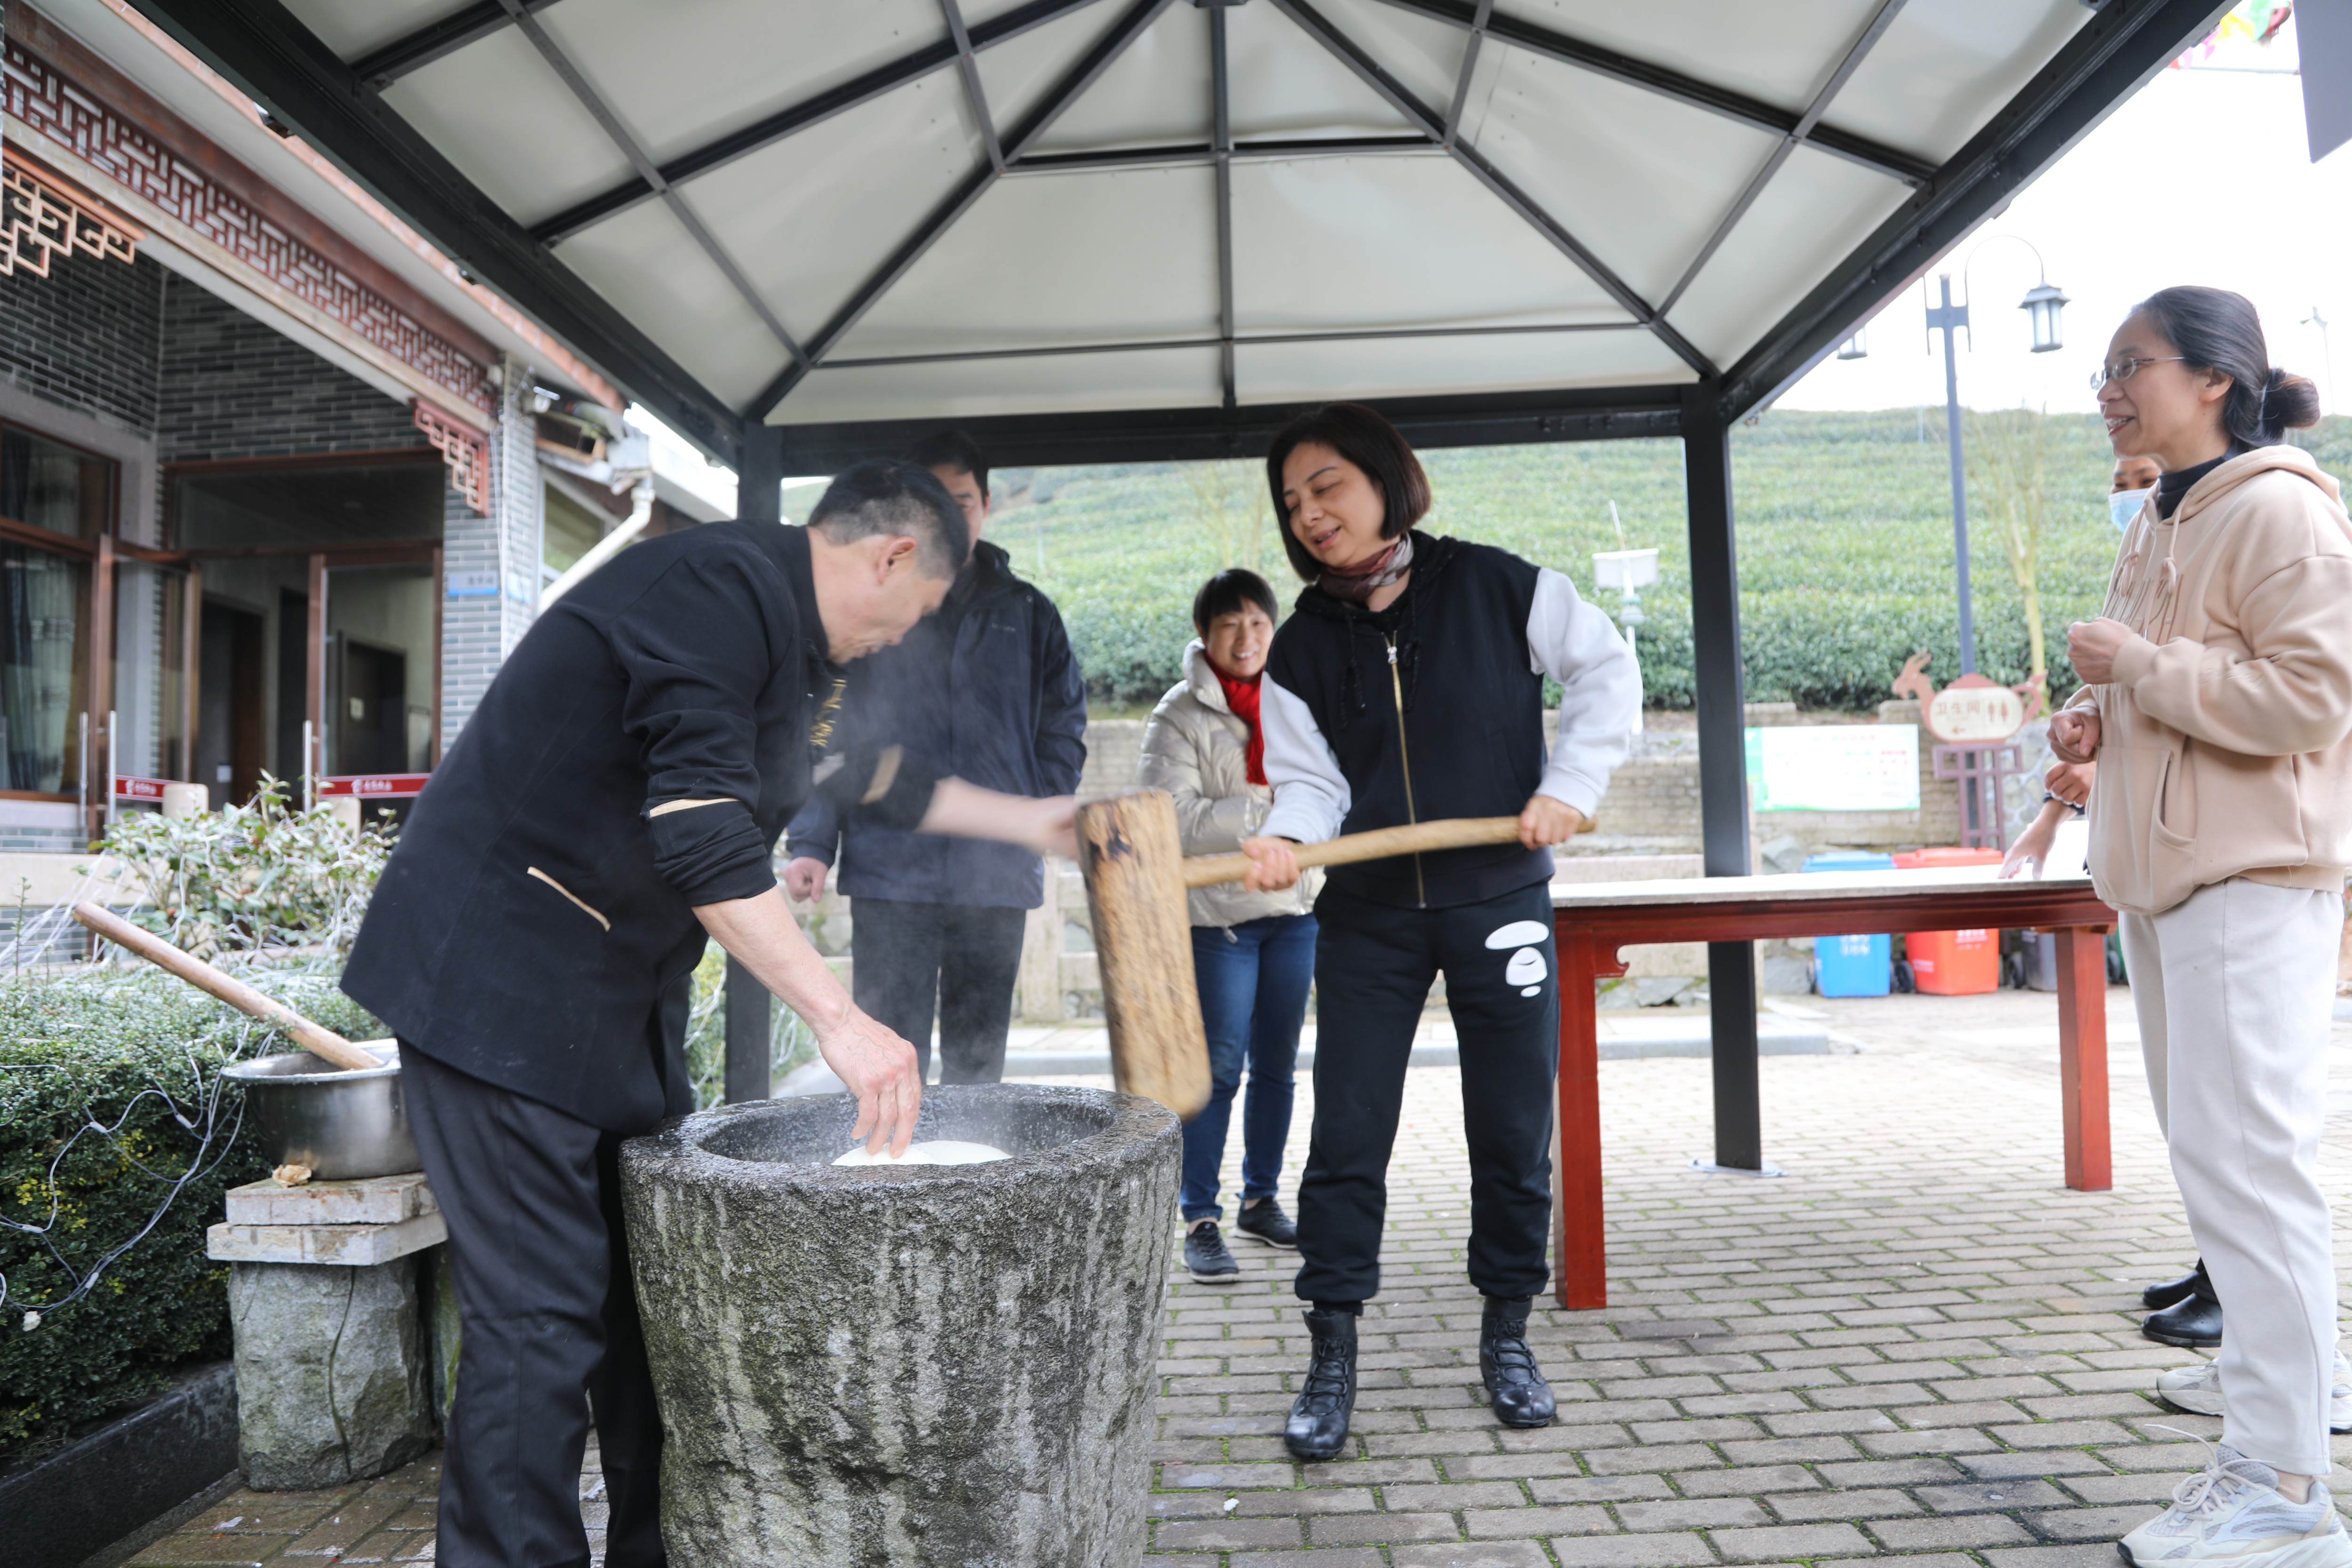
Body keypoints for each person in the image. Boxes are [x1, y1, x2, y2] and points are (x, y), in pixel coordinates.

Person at [342, 462, 1078, 1568]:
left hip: (609, 998)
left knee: (649, 1305)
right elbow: (698, 831)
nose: (904, 638)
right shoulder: (714, 588)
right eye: (917, 610)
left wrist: (1038, 823)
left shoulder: (805, 652)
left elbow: (875, 775)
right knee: (539, 1320)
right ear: (888, 557)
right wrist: (840, 1018)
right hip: (497, 982)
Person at [1235, 403, 1639, 1461]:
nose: (1310, 512)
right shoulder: (1299, 647)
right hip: (1368, 918)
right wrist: (1287, 837)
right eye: (1292, 501)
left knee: (1511, 1128)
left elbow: (1606, 670)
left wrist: (1571, 782)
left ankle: (1508, 1335)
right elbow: (1312, 784)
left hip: (1499, 898)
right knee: (1346, 1134)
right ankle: (1331, 1350)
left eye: (1327, 485)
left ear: (1386, 479)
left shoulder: (1500, 586)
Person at [2051, 287, 2352, 1568]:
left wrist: (2138, 672)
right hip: (2175, 879)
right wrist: (2096, 722)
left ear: (2216, 378)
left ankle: (2284, 1485)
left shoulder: (2282, 508)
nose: (2109, 389)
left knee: (2251, 1169)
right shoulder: (2166, 513)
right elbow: (2191, 689)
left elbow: (2313, 697)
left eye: (2133, 365)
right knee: (2223, 1168)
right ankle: (2275, 1433)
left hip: (2249, 877)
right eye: (2105, 370)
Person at [784, 431, 1086, 1084]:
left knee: (980, 1067)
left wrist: (1037, 811)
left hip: (997, 874)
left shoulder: (1029, 612)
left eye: (963, 501)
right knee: (888, 1061)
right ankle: (890, 1154)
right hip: (890, 871)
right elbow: (830, 737)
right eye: (935, 502)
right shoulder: (868, 606)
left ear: (986, 504)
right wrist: (811, 842)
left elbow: (1063, 727)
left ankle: (972, 1154)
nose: (950, 517)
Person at [1138, 568, 1319, 1285]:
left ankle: (1260, 1199)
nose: (1246, 638)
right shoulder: (1178, 714)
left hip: (1294, 914)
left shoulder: (1295, 700)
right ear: (1204, 633)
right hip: (1220, 923)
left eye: (1258, 623)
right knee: (1217, 1070)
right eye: (1229, 624)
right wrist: (1273, 811)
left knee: (1278, 1066)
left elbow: (1331, 790)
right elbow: (1171, 818)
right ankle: (1200, 1216)